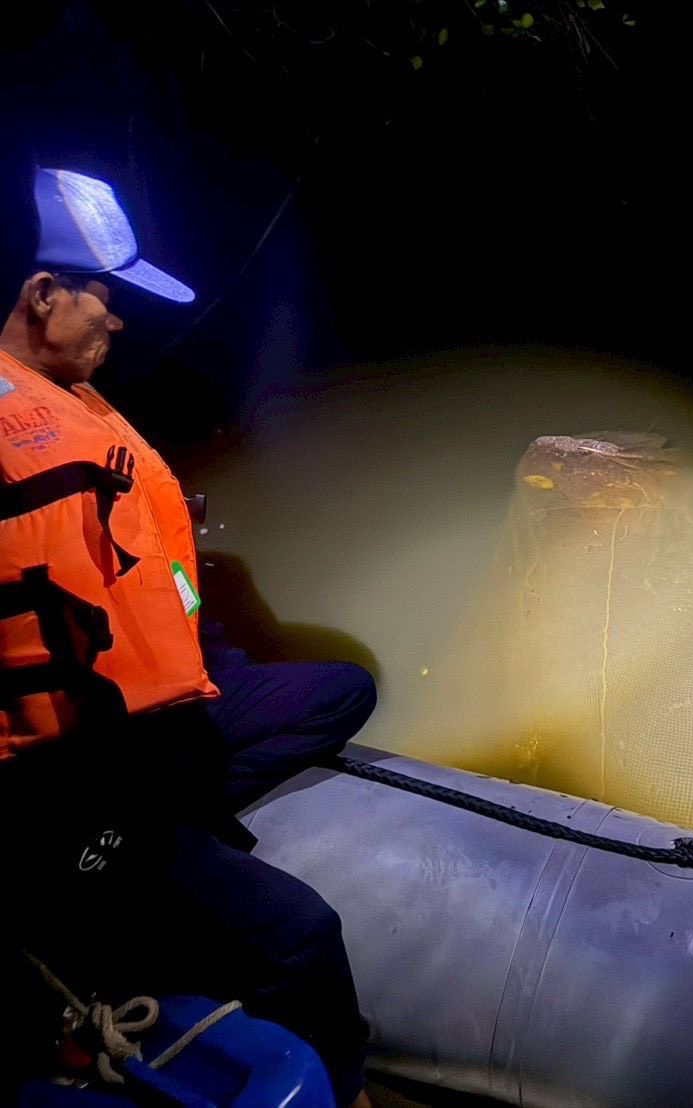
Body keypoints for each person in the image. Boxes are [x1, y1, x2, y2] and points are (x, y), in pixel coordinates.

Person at [1, 166, 373, 1106]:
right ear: (43, 294)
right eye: (107, 296)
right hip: (69, 774)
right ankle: (342, 1085)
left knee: (342, 690)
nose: (120, 320)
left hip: (160, 713)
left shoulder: (66, 393)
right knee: (302, 933)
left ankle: (186, 798)